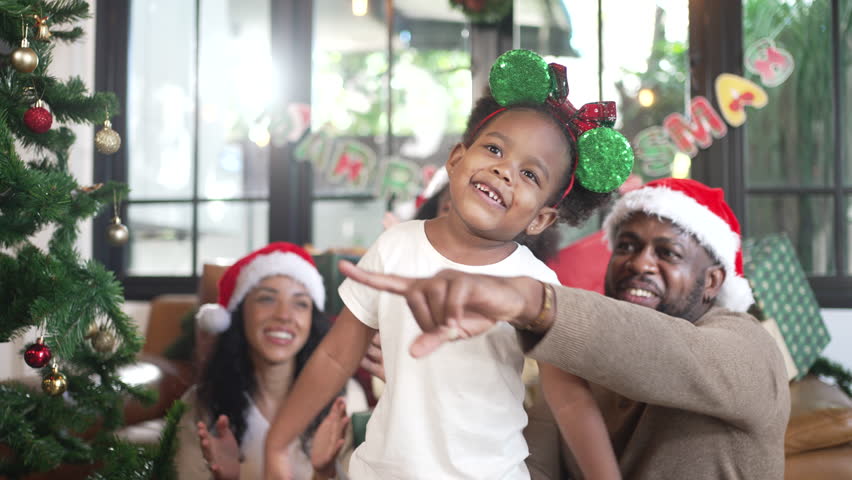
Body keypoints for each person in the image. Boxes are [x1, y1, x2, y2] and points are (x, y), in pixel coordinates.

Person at [265, 49, 634, 479]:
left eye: (530, 174)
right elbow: (334, 357)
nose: (504, 171)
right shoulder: (395, 245)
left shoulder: (536, 285)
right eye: (494, 149)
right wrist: (278, 443)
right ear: (456, 160)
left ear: (541, 219)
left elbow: (568, 400)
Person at [337, 177, 791, 479]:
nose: (640, 264)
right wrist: (432, 389)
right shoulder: (580, 371)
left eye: (667, 253)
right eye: (626, 246)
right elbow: (526, 465)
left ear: (712, 281)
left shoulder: (749, 348)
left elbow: (672, 354)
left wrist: (532, 300)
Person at [175, 242, 367, 480]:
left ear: (312, 320)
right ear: (241, 312)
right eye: (267, 299)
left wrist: (323, 473)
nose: (284, 316)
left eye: (300, 303)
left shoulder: (346, 399)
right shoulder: (201, 403)